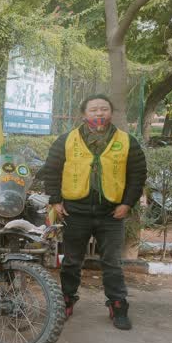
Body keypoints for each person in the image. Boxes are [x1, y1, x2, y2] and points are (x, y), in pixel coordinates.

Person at [41, 94, 147, 330]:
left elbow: (137, 175)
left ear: (111, 112)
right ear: (84, 114)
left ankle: (118, 305)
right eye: (94, 110)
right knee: (71, 261)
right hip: (74, 211)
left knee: (112, 262)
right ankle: (66, 300)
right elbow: (52, 170)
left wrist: (127, 203)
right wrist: (56, 200)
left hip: (112, 213)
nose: (99, 114)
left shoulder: (127, 141)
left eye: (104, 109)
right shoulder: (66, 140)